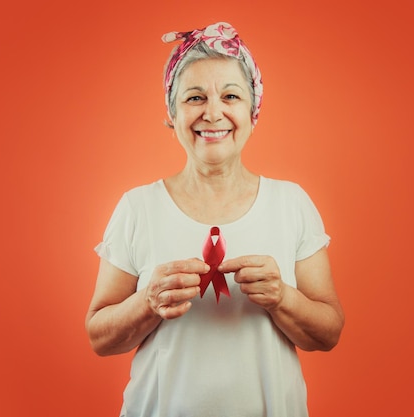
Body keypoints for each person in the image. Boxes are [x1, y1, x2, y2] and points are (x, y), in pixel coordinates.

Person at [85, 21, 345, 417]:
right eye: (194, 98)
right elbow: (100, 337)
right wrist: (147, 302)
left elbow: (328, 332)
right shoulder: (137, 208)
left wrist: (283, 298)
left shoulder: (292, 203)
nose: (213, 113)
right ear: (171, 116)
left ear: (252, 110)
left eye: (230, 95)